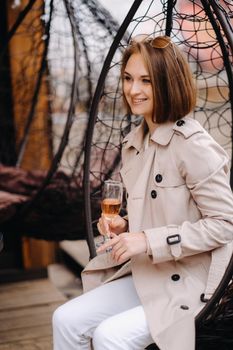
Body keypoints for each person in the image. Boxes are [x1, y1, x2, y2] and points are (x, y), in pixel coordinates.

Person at [52, 36, 233, 350]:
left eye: (146, 81)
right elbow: (159, 211)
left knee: (111, 336)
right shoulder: (135, 142)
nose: (133, 90)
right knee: (64, 319)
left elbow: (225, 224)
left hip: (191, 279)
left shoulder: (193, 144)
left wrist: (147, 240)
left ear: (167, 83)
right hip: (150, 269)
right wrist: (126, 226)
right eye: (128, 78)